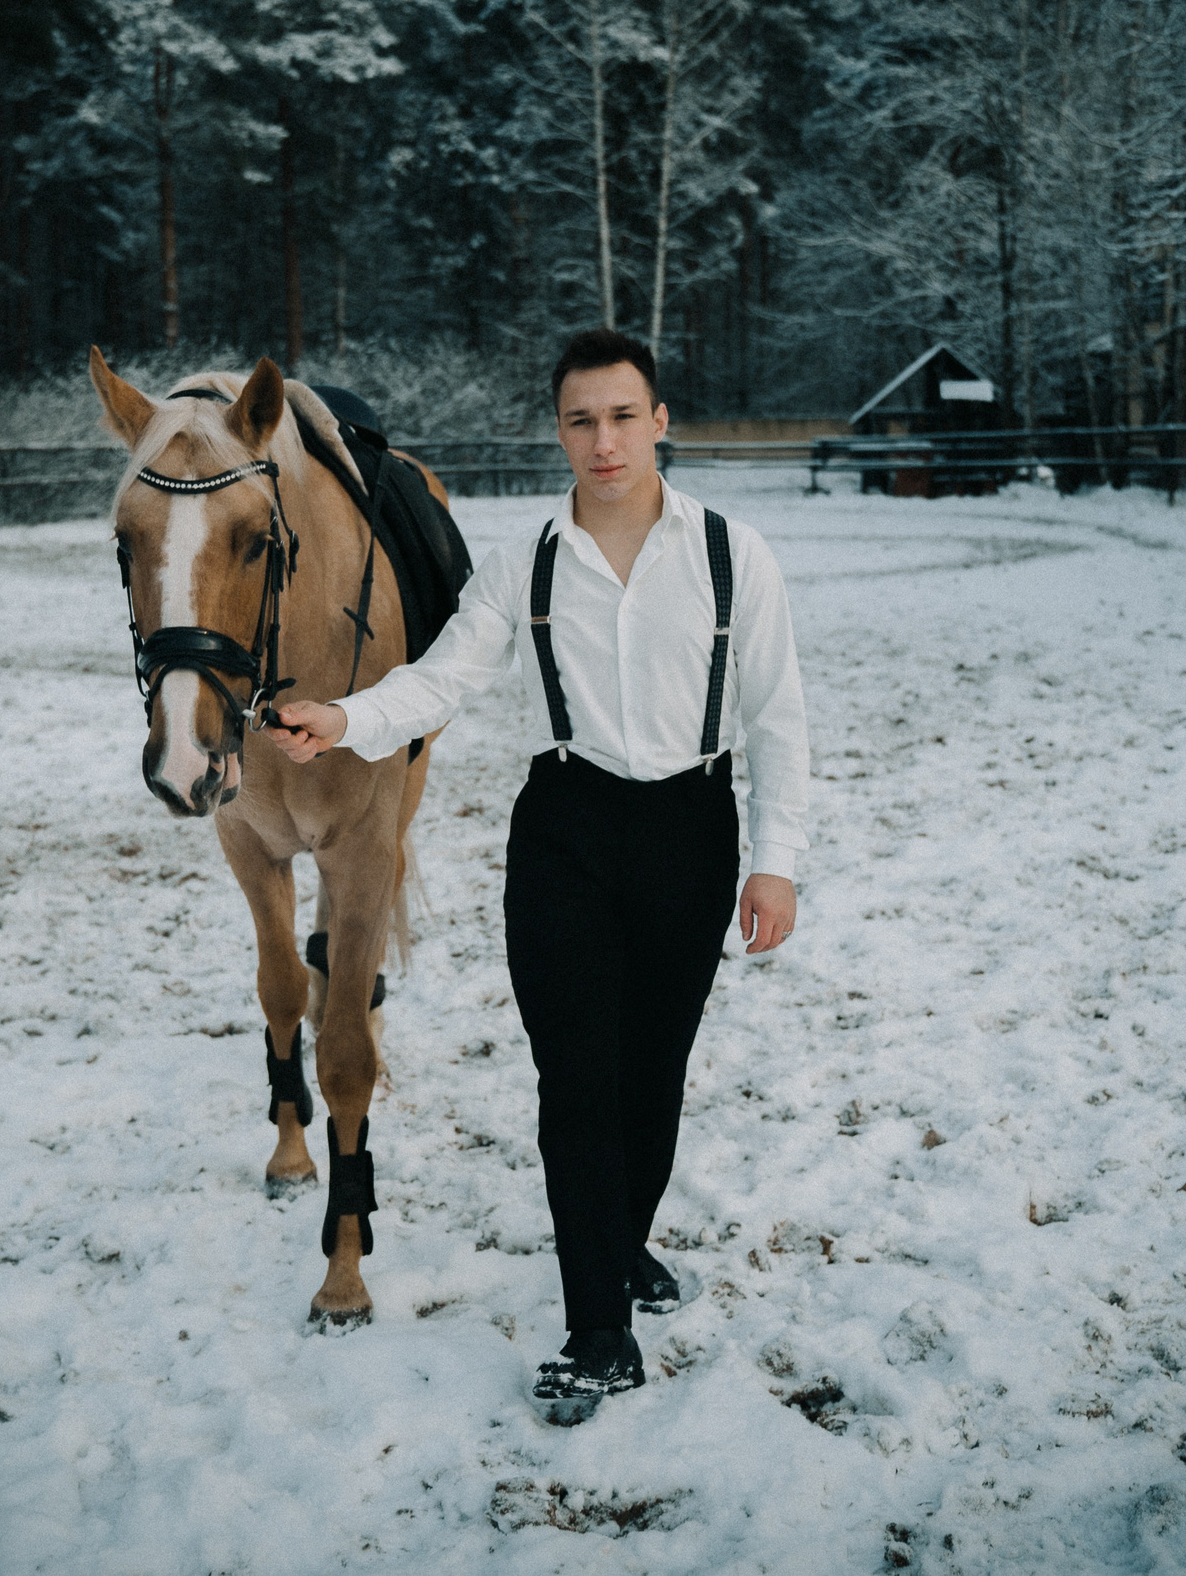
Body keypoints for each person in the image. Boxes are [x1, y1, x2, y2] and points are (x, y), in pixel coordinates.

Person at [266, 329, 809, 1411]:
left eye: (623, 417)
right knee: (575, 1078)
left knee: (652, 1076)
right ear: (559, 432)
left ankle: (620, 1241)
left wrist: (776, 862)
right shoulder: (526, 565)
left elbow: (777, 716)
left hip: (692, 830)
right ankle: (596, 1325)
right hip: (565, 830)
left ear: (658, 422)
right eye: (581, 420)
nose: (603, 441)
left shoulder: (731, 555)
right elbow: (439, 680)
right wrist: (344, 717)